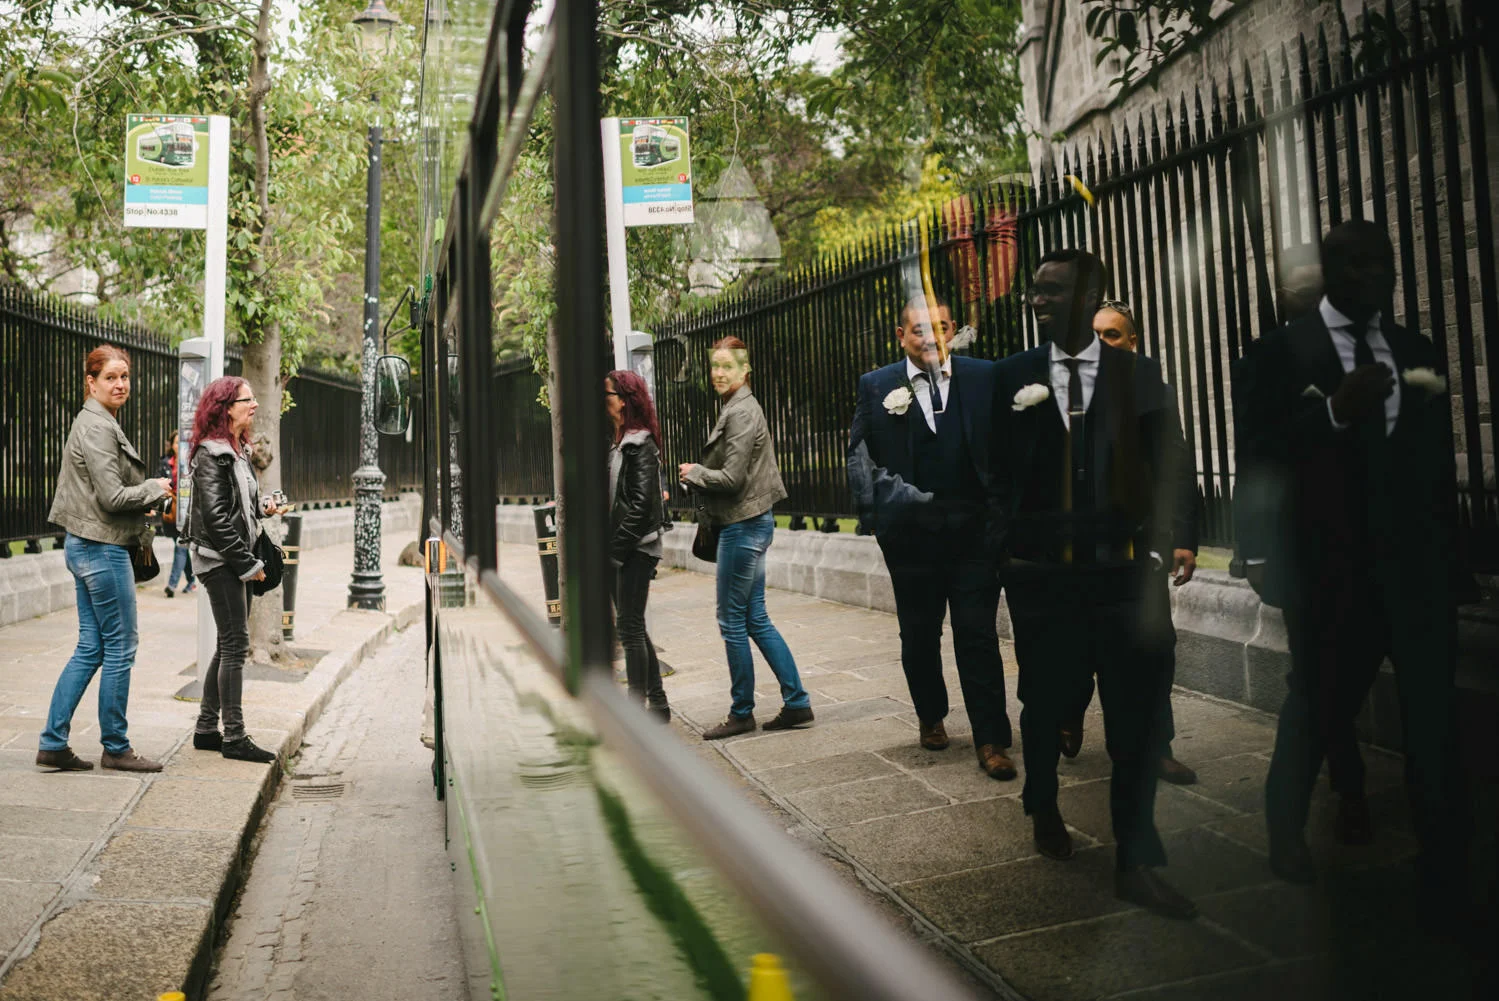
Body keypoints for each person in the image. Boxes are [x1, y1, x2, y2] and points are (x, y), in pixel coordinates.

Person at [1232, 220, 1474, 899]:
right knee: (1316, 707)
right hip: (1329, 569)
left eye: (1383, 262)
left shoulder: (1416, 349)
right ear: (1330, 275)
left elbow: (1433, 463)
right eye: (1357, 264)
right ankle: (1285, 830)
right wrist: (1334, 413)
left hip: (1415, 570)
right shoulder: (1277, 353)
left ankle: (1443, 854)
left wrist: (1450, 561)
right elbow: (1258, 455)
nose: (1375, 276)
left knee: (1432, 715)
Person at [988, 249, 1197, 919]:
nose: (1036, 301)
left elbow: (1170, 461)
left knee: (1132, 717)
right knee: (1045, 699)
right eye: (1034, 290)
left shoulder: (1138, 373)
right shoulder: (1009, 376)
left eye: (1051, 291)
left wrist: (1171, 542)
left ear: (1087, 295)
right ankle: (1043, 803)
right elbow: (990, 471)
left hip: (1122, 574)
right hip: (1043, 578)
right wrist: (1006, 554)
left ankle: (1136, 859)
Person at [847, 292, 1015, 780]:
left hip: (974, 536)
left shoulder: (983, 377)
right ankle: (930, 713)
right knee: (919, 635)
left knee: (977, 634)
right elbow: (859, 457)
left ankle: (991, 738)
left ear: (952, 330)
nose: (930, 338)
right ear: (901, 336)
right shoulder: (877, 385)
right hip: (911, 541)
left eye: (940, 328)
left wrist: (1001, 517)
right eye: (919, 329)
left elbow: (1006, 449)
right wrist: (884, 516)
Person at [1059, 300, 1199, 786]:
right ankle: (1069, 709)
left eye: (1112, 335)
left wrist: (1183, 536)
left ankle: (1157, 746)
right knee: (1078, 645)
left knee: (1155, 647)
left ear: (1132, 343)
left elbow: (1175, 462)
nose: (1101, 344)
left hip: (1140, 547)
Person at [36, 345, 172, 773]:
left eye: (124, 377)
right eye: (111, 377)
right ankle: (115, 746)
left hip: (88, 544)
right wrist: (154, 488)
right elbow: (112, 497)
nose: (120, 384)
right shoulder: (97, 427)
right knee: (120, 646)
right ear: (90, 382)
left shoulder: (99, 421)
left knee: (91, 647)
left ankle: (52, 742)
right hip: (101, 549)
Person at [679, 336, 813, 740]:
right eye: (715, 365)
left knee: (731, 620)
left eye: (728, 366)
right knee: (754, 617)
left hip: (743, 526)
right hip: (751, 523)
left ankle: (742, 712)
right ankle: (797, 702)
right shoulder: (738, 407)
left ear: (745, 369)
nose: (719, 373)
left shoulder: (740, 412)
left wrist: (694, 473)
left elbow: (733, 479)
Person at [184, 376, 279, 763]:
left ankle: (207, 729)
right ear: (225, 408)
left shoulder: (239, 450)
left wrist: (263, 508)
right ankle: (234, 737)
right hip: (219, 560)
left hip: (234, 557)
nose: (254, 405)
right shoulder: (212, 454)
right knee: (237, 644)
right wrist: (248, 565)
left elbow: (238, 507)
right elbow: (217, 519)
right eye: (246, 400)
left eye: (254, 399)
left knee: (227, 643)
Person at [607, 369, 672, 722]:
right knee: (633, 625)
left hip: (637, 548)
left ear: (623, 401)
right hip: (622, 548)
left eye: (607, 394)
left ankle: (636, 714)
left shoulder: (640, 444)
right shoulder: (618, 442)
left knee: (629, 629)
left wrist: (615, 552)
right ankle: (658, 705)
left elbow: (641, 506)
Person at [158, 430, 196, 597]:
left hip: (186, 510)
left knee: (181, 545)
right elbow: (158, 482)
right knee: (181, 546)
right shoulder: (165, 463)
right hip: (172, 510)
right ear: (171, 445)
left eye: (181, 443)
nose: (178, 446)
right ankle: (191, 580)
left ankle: (172, 585)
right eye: (175, 443)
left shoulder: (191, 463)